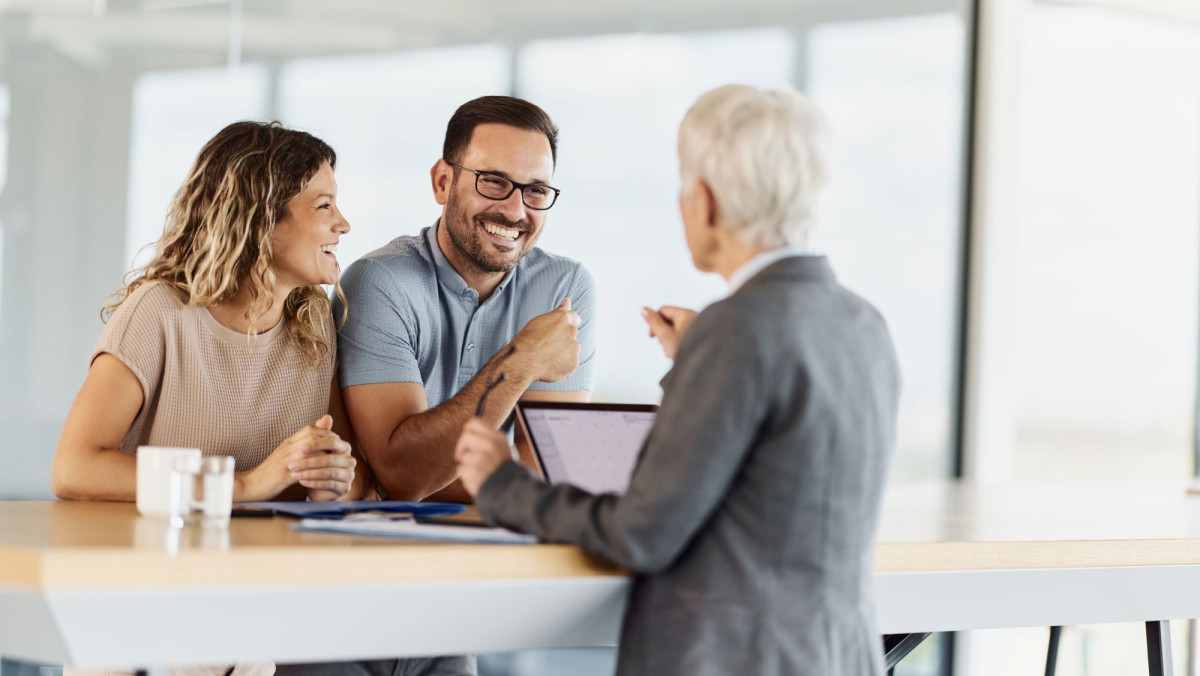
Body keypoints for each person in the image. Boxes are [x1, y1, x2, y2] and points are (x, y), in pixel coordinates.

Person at [454, 84, 902, 676]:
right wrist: (692, 365)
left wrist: (502, 484)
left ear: (705, 200)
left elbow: (643, 532)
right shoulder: (863, 322)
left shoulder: (737, 328)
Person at [52, 120, 369, 508]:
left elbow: (352, 481)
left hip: (260, 562)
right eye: (324, 206)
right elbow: (73, 469)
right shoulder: (160, 313)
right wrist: (241, 487)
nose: (344, 224)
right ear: (261, 219)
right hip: (152, 559)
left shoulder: (313, 320)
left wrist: (329, 483)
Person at [336, 95, 594, 504]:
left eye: (537, 190)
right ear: (443, 182)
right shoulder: (380, 282)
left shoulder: (564, 285)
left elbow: (547, 469)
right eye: (493, 181)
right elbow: (404, 475)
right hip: (381, 545)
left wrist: (433, 466)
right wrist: (521, 359)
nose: (515, 210)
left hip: (497, 544)